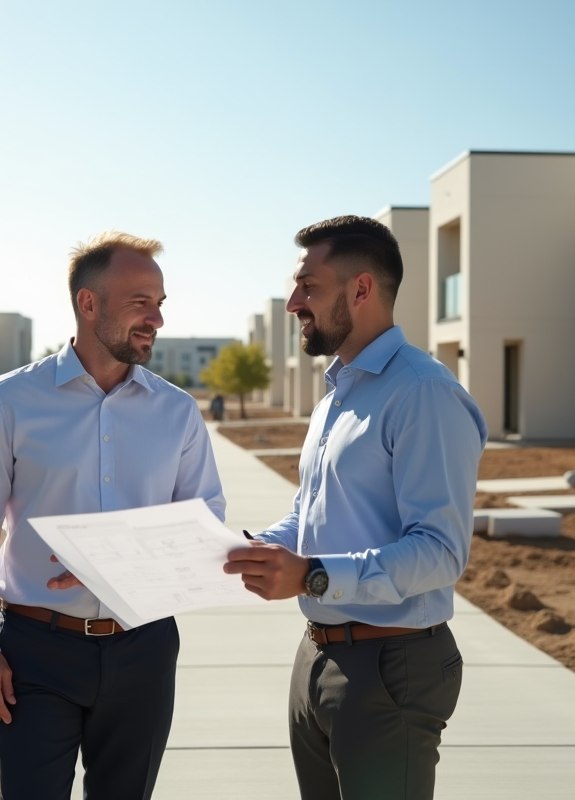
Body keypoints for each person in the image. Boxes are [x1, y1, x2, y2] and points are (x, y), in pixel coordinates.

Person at [0, 231, 225, 800]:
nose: (156, 320)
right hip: (35, 654)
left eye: (160, 304)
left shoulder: (177, 412)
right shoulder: (9, 401)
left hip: (144, 648)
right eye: (139, 303)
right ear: (88, 303)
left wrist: (115, 564)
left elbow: (203, 529)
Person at [224, 215, 486, 800]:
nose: (294, 302)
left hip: (391, 667)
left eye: (308, 287)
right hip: (318, 655)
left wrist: (312, 575)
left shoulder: (424, 393)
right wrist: (245, 550)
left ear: (361, 289)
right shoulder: (340, 391)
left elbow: (440, 552)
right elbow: (312, 511)